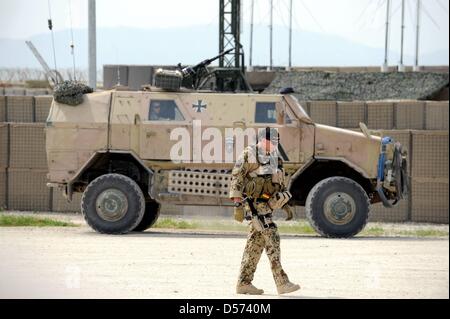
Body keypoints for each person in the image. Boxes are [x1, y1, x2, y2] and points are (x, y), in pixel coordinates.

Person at [229, 127, 300, 295]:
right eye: (271, 140)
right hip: (252, 204)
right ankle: (282, 282)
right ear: (262, 140)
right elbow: (237, 178)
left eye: (276, 140)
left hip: (267, 204)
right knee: (271, 234)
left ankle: (244, 283)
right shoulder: (249, 154)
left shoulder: (276, 158)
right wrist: (238, 203)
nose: (275, 143)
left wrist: (284, 204)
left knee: (255, 244)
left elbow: (278, 184)